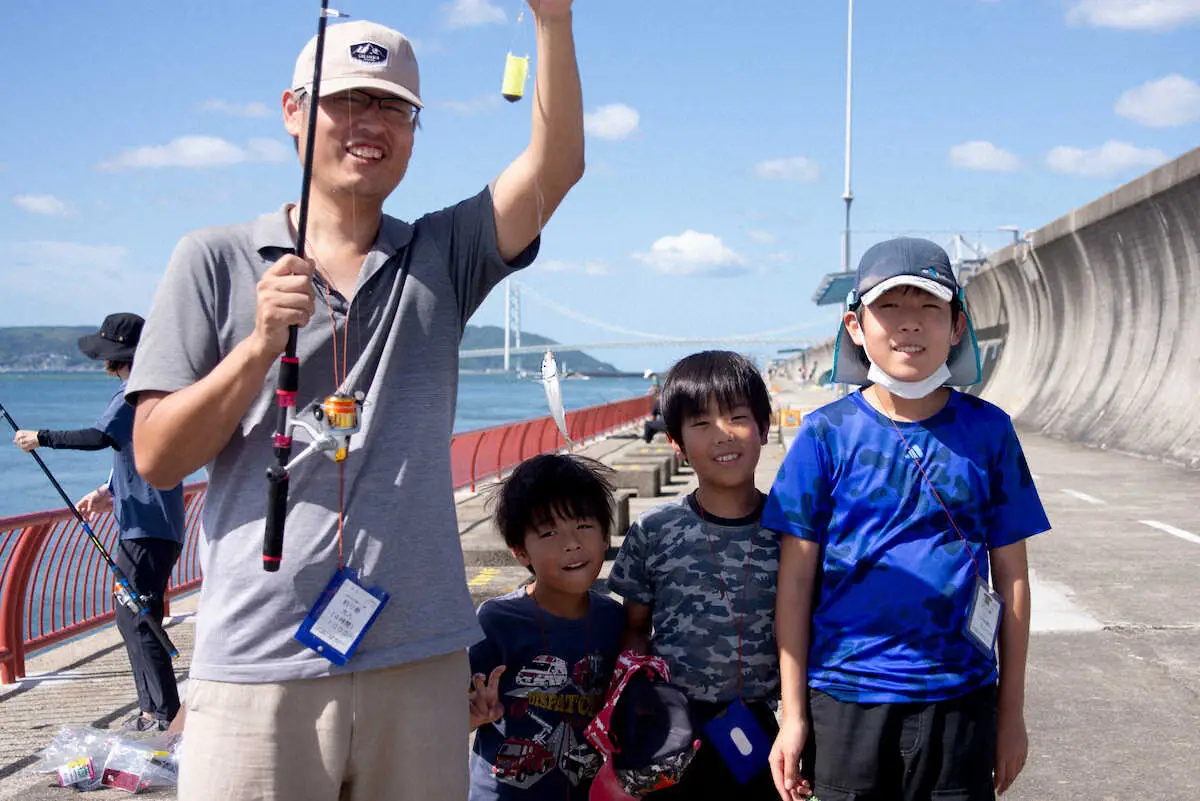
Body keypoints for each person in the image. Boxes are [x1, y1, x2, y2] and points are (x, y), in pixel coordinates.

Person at [125, 5, 584, 799]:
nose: (369, 122)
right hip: (256, 665)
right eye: (347, 100)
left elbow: (556, 167)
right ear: (293, 112)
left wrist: (553, 22)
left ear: (413, 130)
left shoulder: (443, 254)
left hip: (420, 657)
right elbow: (158, 453)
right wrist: (260, 343)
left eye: (393, 107)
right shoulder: (212, 258)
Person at [765, 237, 1051, 801]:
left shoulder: (989, 431)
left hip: (961, 698)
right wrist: (793, 714)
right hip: (846, 698)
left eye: (929, 308)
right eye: (889, 308)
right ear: (855, 326)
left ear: (957, 327)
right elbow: (795, 581)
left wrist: (1010, 712)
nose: (909, 325)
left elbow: (1012, 580)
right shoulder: (824, 434)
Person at [607, 350, 782, 800]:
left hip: (765, 725)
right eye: (700, 424)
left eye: (738, 417)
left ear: (764, 426)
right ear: (676, 442)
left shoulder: (794, 532)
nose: (722, 435)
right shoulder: (653, 531)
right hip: (673, 727)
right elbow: (634, 630)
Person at [13, 312, 185, 732]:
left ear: (115, 356)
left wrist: (42, 436)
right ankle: (155, 710)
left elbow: (99, 437)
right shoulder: (153, 391)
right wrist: (108, 492)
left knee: (137, 617)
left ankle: (161, 713)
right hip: (153, 524)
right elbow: (134, 453)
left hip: (147, 528)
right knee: (137, 616)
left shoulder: (136, 393)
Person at [467, 454, 625, 800]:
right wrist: (473, 715)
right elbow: (447, 713)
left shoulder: (615, 619)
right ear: (520, 551)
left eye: (584, 526)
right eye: (550, 532)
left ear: (605, 538)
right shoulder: (496, 620)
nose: (571, 543)